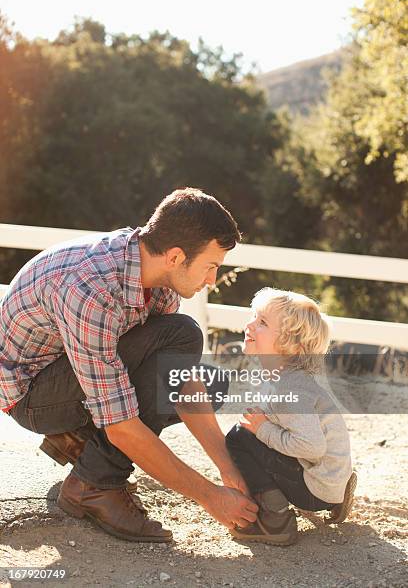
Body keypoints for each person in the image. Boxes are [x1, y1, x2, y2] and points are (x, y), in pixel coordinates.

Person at [0, 187, 258, 542]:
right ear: (176, 256)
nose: (212, 280)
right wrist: (211, 498)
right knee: (183, 336)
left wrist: (227, 466)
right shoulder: (91, 287)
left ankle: (83, 442)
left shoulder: (160, 274)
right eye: (210, 266)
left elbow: (175, 378)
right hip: (31, 395)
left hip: (75, 371)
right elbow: (121, 423)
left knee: (209, 383)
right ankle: (93, 486)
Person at [226, 287, 357, 545]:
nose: (250, 325)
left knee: (239, 437)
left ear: (291, 344)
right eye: (254, 316)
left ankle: (275, 519)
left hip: (315, 489)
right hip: (328, 479)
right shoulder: (285, 379)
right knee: (252, 431)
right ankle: (338, 491)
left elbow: (312, 446)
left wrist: (262, 429)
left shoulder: (289, 388)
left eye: (262, 322)